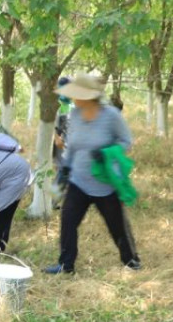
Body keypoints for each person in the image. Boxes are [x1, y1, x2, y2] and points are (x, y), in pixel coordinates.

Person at [43, 73, 141, 274]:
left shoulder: (111, 116)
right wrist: (65, 168)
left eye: (77, 95)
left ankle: (131, 261)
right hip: (78, 180)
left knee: (117, 226)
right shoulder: (75, 115)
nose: (74, 99)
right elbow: (72, 146)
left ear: (89, 96)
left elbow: (126, 141)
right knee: (68, 221)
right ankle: (66, 264)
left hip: (105, 182)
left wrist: (106, 152)